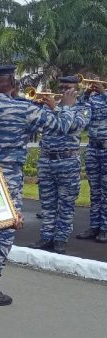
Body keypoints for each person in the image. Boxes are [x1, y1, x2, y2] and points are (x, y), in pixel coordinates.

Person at [0, 64, 85, 306]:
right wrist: (66, 106)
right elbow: (61, 126)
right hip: (8, 181)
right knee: (3, 233)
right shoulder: (23, 108)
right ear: (13, 84)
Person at [28, 76, 88, 254]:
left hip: (67, 162)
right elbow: (39, 126)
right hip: (47, 160)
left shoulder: (83, 107)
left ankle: (61, 239)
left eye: (67, 87)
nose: (63, 91)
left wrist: (59, 108)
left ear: (76, 90)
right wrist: (42, 106)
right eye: (61, 87)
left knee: (66, 204)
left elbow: (74, 126)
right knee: (47, 203)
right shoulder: (49, 106)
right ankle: (46, 237)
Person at [76, 78, 107, 243]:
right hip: (93, 148)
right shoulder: (93, 100)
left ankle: (105, 228)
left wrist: (104, 93)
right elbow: (79, 108)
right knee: (95, 190)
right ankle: (94, 226)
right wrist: (87, 93)